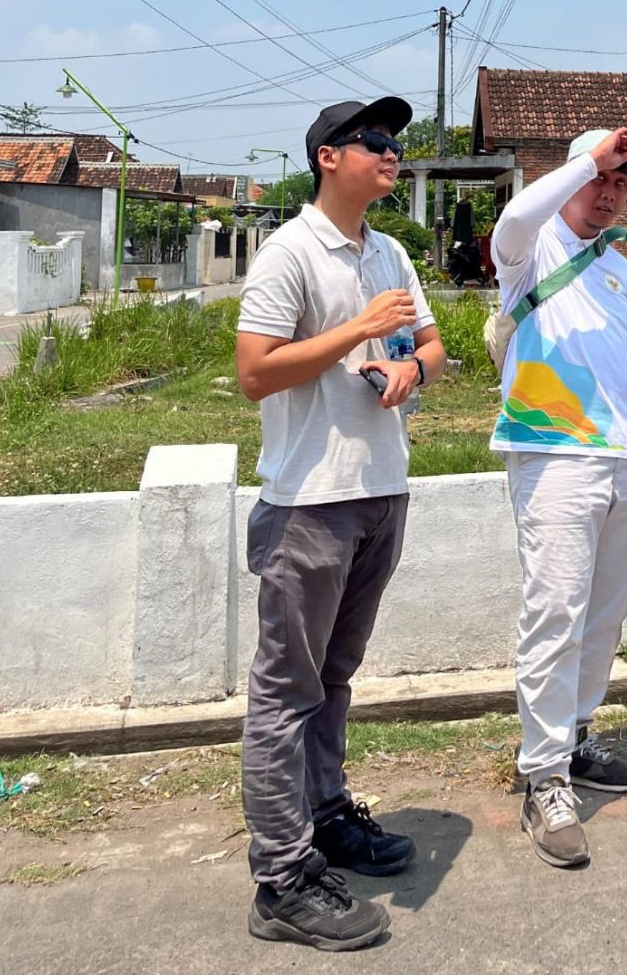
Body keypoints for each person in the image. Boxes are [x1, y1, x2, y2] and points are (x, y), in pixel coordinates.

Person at [236, 96, 448, 950]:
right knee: (286, 692)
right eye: (376, 141)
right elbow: (255, 372)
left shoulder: (389, 251)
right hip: (308, 502)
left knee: (333, 679)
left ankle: (325, 818)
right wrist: (357, 329)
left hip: (380, 488)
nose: (392, 153)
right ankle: (281, 879)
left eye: (397, 143)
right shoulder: (288, 252)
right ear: (328, 156)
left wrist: (412, 373)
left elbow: (431, 345)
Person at [490, 127, 627, 868]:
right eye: (599, 178)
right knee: (555, 611)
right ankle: (544, 775)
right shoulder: (530, 250)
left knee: (602, 616)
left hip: (623, 458)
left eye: (622, 182)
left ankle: (576, 736)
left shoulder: (619, 268)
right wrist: (589, 160)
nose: (610, 191)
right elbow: (514, 217)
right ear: (571, 176)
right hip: (554, 454)